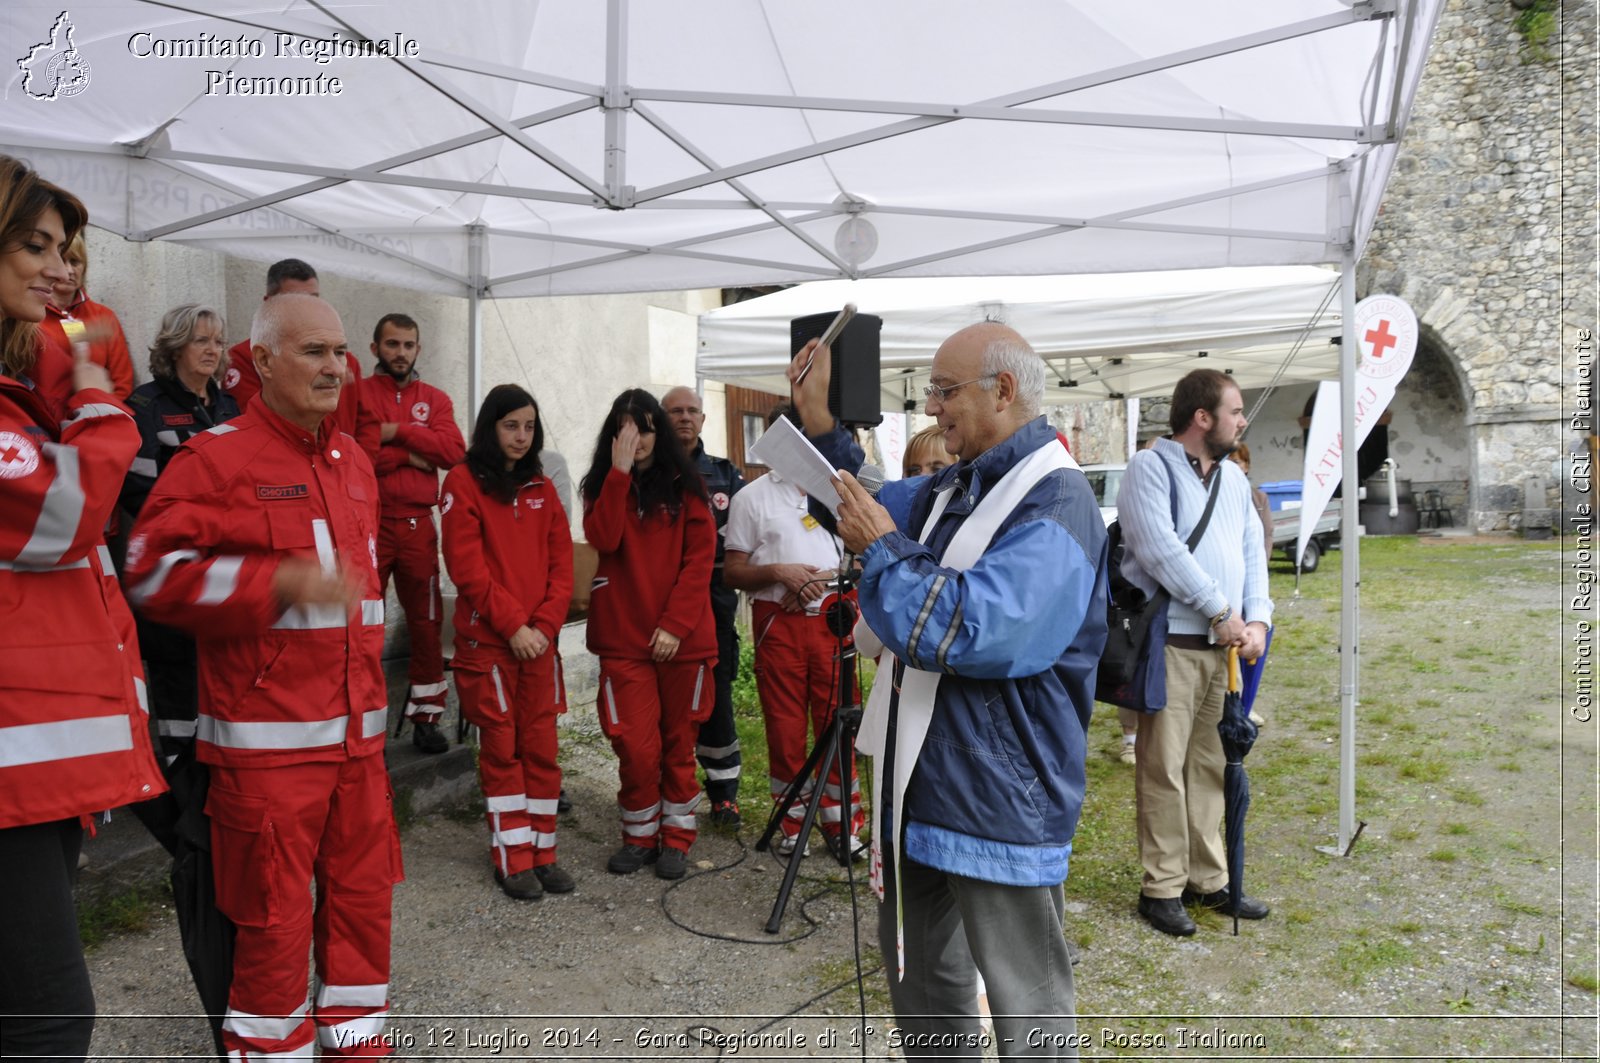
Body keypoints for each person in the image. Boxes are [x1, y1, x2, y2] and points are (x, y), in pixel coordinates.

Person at [795, 321, 1107, 1060]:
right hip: (925, 786)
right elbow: (867, 504)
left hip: (1000, 796)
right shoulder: (956, 485)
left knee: (1026, 1005)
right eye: (931, 391)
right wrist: (818, 426)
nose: (932, 408)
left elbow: (972, 628)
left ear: (1003, 390)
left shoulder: (1057, 506)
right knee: (926, 983)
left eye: (943, 390)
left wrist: (884, 548)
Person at [125, 292, 400, 1059]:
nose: (335, 368)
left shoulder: (354, 466)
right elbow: (149, 571)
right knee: (272, 939)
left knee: (362, 922)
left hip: (357, 753)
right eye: (314, 351)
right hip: (269, 762)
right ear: (265, 360)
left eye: (341, 353)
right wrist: (273, 583)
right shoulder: (216, 458)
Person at [0, 155, 168, 1063]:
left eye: (63, 250)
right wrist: (101, 400)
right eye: (33, 245)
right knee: (50, 1021)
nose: (54, 267)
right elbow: (69, 511)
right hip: (11, 782)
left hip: (32, 774)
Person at [1118, 368, 1273, 938]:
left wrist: (1257, 618)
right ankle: (1160, 886)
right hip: (1172, 644)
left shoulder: (1233, 479)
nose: (1242, 420)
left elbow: (1252, 552)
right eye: (1234, 410)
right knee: (1163, 769)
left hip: (1224, 648)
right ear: (1201, 417)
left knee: (1211, 766)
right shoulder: (1147, 469)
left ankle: (1209, 880)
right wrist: (1218, 610)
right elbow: (1159, 551)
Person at [441, 384, 575, 900]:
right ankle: (511, 858)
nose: (521, 436)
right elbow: (467, 569)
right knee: (502, 752)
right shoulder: (462, 482)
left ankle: (543, 853)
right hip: (493, 647)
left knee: (541, 750)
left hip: (537, 645)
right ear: (490, 427)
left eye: (528, 426)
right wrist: (515, 627)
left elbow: (562, 564)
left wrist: (542, 628)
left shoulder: (540, 484)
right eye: (510, 425)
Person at [581, 389, 717, 881]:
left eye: (645, 427)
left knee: (679, 744)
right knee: (635, 748)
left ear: (660, 434)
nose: (636, 438)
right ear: (614, 434)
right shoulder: (601, 485)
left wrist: (674, 626)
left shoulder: (689, 487)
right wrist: (617, 476)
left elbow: (700, 561)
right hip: (624, 640)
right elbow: (605, 539)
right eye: (626, 428)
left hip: (682, 641)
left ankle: (676, 839)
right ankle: (639, 836)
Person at [723, 403, 865, 859]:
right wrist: (780, 572)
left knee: (839, 725)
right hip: (778, 626)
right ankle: (792, 822)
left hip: (832, 620)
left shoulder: (844, 491)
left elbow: (865, 558)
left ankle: (842, 824)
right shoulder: (752, 497)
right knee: (785, 728)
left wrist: (820, 580)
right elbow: (733, 572)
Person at [120, 304, 243, 763]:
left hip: (224, 564)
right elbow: (136, 490)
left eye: (218, 341)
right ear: (174, 347)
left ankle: (215, 773)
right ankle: (179, 773)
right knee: (177, 675)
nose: (213, 350)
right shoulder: (146, 407)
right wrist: (202, 517)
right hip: (173, 566)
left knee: (221, 674)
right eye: (201, 341)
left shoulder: (229, 407)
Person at [357, 313, 465, 754]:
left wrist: (396, 433)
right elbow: (357, 454)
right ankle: (363, 717)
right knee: (363, 622)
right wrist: (411, 454)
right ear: (375, 348)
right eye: (392, 344)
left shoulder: (435, 399)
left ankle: (426, 718)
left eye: (408, 345)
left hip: (419, 524)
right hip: (372, 523)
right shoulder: (357, 395)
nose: (400, 352)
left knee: (426, 623)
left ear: (418, 350)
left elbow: (454, 452)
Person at [661, 385, 746, 829]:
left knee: (716, 695)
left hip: (713, 600)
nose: (684, 418)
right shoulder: (651, 472)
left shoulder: (725, 475)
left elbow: (742, 537)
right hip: (664, 600)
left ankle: (724, 793)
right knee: (666, 699)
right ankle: (668, 785)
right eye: (675, 411)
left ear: (704, 418)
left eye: (692, 410)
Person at [224, 257, 374, 450]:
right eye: (294, 298)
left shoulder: (346, 360)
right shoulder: (245, 358)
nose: (334, 368)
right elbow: (256, 424)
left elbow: (368, 423)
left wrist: (357, 468)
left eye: (313, 299)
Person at [35, 230, 135, 411]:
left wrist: (100, 413)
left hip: (97, 417)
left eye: (75, 262)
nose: (69, 270)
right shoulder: (31, 316)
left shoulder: (103, 315)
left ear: (85, 266)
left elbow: (123, 382)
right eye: (63, 260)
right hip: (44, 419)